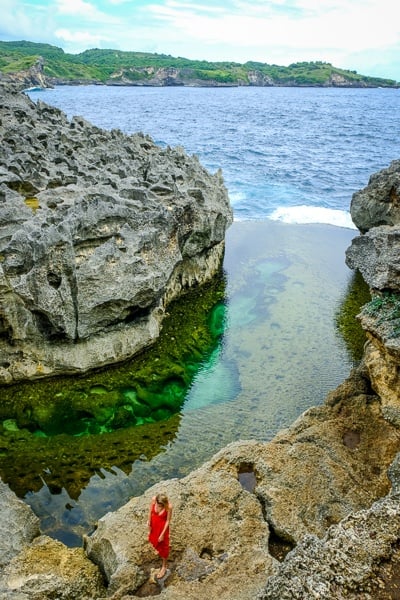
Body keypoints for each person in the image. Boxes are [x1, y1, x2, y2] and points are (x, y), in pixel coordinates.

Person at [147, 492, 172, 579]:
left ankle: (164, 566)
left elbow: (168, 521)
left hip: (162, 528)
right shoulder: (154, 499)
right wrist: (149, 521)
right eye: (157, 504)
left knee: (164, 546)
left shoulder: (169, 507)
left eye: (160, 506)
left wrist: (162, 534)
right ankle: (158, 548)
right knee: (154, 540)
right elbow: (150, 511)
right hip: (154, 524)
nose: (157, 506)